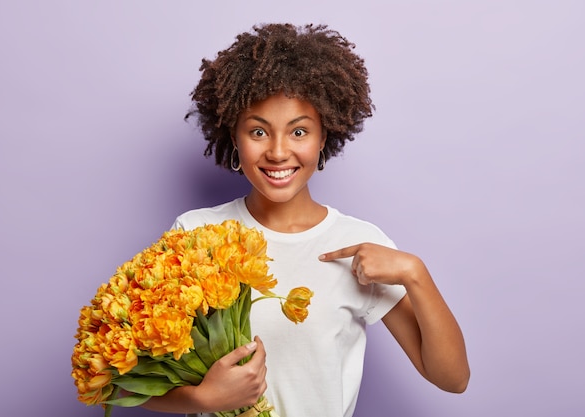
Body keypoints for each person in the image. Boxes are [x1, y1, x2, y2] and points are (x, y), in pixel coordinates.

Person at [143, 23, 470, 417]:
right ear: (233, 136)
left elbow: (452, 379)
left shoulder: (358, 243)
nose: (279, 152)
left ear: (323, 137)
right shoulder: (193, 235)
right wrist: (203, 399)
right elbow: (131, 376)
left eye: (299, 131)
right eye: (259, 131)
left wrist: (416, 273)